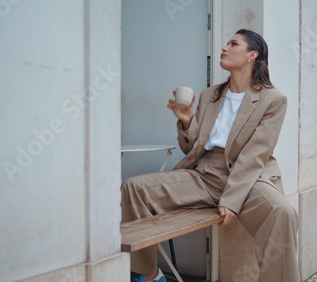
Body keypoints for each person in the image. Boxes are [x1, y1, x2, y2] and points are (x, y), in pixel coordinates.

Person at [122, 29, 300, 282]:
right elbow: (193, 149)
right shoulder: (210, 96)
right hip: (205, 175)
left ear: (252, 54)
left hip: (249, 178)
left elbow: (255, 154)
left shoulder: (273, 99)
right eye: (226, 43)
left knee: (283, 213)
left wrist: (231, 199)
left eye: (233, 43)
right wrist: (186, 121)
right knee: (133, 187)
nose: (224, 48)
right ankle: (147, 275)